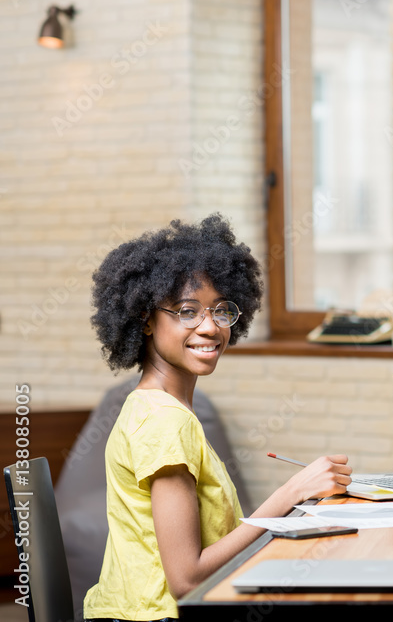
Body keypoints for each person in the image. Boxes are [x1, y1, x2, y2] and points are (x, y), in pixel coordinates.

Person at [83, 214, 353, 621]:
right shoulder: (163, 422)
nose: (210, 328)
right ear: (145, 319)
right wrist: (290, 494)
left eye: (220, 310)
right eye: (187, 311)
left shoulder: (159, 405)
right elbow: (187, 580)